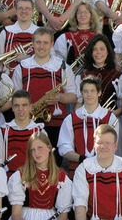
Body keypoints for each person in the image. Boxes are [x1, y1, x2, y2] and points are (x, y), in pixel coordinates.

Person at [10, 27, 77, 163]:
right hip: (28, 122)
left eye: (45, 43)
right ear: (33, 44)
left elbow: (73, 95)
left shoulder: (62, 66)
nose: (42, 46)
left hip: (55, 123)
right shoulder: (22, 66)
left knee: (52, 163)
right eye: (38, 42)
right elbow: (15, 96)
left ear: (52, 44)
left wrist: (60, 98)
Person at [72, 124, 122, 220]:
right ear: (94, 144)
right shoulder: (83, 168)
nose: (103, 147)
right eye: (99, 143)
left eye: (108, 143)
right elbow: (80, 202)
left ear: (116, 145)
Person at [59, 75, 119, 178]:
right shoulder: (71, 119)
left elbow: (114, 146)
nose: (89, 94)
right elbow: (64, 147)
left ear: (99, 93)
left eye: (92, 91)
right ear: (81, 93)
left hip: (103, 172)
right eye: (85, 91)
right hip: (77, 171)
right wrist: (81, 158)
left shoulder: (110, 117)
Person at [0, 90, 47, 175]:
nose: (20, 109)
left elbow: (45, 162)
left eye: (24, 105)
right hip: (9, 182)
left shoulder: (40, 131)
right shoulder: (2, 131)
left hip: (33, 181)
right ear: (12, 108)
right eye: (17, 105)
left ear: (30, 107)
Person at [77, 34, 122, 114]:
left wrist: (109, 115)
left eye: (102, 49)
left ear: (108, 52)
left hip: (109, 122)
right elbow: (79, 103)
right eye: (95, 49)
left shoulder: (118, 76)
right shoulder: (82, 76)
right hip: (88, 120)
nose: (98, 53)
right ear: (91, 52)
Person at [0, 0, 39, 73]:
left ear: (33, 11)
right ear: (16, 11)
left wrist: (27, 58)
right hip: (9, 77)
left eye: (27, 8)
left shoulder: (40, 33)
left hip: (33, 76)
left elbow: (48, 59)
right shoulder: (6, 32)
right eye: (20, 8)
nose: (24, 11)